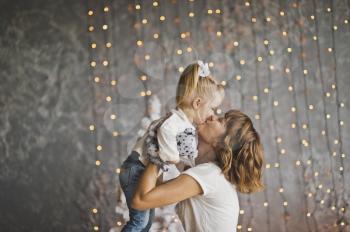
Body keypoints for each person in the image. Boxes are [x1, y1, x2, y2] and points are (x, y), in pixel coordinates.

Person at [119, 61, 224, 231]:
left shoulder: (186, 124)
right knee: (138, 222)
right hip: (136, 168)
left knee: (145, 222)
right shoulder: (175, 121)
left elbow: (185, 154)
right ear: (197, 103)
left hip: (140, 170)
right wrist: (170, 155)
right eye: (212, 108)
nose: (212, 114)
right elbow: (166, 132)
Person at [132, 110, 265, 232]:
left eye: (220, 121)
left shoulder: (209, 175)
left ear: (223, 142)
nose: (212, 116)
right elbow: (155, 189)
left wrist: (159, 152)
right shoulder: (208, 173)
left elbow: (140, 201)